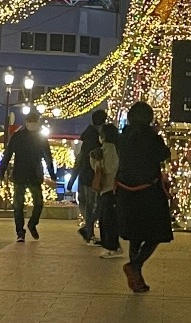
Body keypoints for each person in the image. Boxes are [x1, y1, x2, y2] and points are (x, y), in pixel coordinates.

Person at [115, 101, 173, 293]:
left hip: (126, 192)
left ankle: (136, 279)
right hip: (149, 193)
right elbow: (164, 154)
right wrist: (156, 134)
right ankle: (135, 266)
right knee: (156, 233)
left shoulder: (123, 136)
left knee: (135, 235)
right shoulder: (150, 136)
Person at [0, 111, 57, 243]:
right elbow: (8, 154)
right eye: (30, 121)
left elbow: (48, 157)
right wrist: (1, 170)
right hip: (20, 175)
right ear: (26, 123)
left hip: (34, 175)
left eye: (34, 121)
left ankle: (32, 224)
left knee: (39, 203)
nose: (32, 124)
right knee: (18, 205)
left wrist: (52, 173)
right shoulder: (18, 136)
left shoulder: (41, 138)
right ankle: (20, 231)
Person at [69, 108, 108, 246]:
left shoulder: (86, 139)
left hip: (83, 176)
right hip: (93, 176)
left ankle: (88, 231)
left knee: (87, 205)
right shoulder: (98, 140)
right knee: (95, 206)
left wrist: (72, 179)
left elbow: (79, 159)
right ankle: (88, 231)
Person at [91, 123, 122, 258]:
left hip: (110, 189)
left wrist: (98, 161)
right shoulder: (105, 149)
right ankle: (110, 245)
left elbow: (109, 169)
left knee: (108, 219)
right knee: (105, 218)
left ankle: (112, 246)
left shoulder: (110, 149)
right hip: (106, 189)